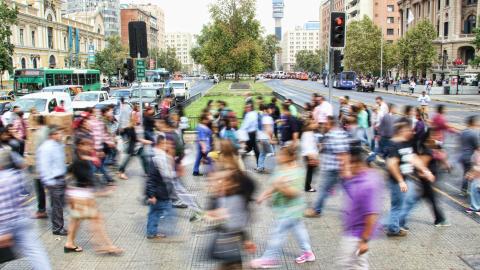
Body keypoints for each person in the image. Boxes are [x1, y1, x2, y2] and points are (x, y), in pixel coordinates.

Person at [250, 145, 315, 268]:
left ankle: (270, 258)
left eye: (281, 155)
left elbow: (294, 193)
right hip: (287, 209)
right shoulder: (280, 169)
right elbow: (274, 186)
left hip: (290, 210)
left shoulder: (297, 172)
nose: (278, 157)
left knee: (278, 233)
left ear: (290, 157)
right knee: (299, 229)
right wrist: (263, 195)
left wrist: (282, 187)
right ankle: (308, 252)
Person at [64, 137, 123, 255]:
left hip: (78, 195)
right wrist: (103, 192)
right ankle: (106, 246)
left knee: (76, 220)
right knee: (96, 220)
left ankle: (69, 243)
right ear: (80, 146)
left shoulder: (82, 160)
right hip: (82, 197)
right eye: (87, 145)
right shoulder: (80, 162)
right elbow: (88, 179)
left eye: (91, 145)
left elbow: (68, 172)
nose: (90, 147)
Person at [0, 147, 52, 269]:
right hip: (22, 219)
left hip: (6, 223)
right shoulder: (16, 175)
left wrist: (2, 232)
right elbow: (26, 195)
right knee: (35, 251)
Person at [384, 119, 435, 237]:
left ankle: (394, 224)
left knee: (406, 202)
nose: (411, 132)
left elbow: (413, 158)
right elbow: (392, 164)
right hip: (397, 181)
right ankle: (393, 229)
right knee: (398, 205)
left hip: (405, 179)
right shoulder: (393, 145)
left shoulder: (405, 142)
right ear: (401, 130)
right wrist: (400, 181)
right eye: (408, 129)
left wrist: (425, 170)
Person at [338, 144, 383, 270]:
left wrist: (364, 240)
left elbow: (372, 215)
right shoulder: (362, 177)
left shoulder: (366, 184)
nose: (342, 167)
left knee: (348, 266)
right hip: (354, 233)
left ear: (355, 163)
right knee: (358, 265)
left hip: (356, 236)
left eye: (344, 164)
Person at [399, 130, 450, 229]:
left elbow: (440, 155)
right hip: (426, 181)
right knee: (414, 201)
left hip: (426, 182)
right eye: (435, 135)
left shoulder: (429, 147)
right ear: (428, 138)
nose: (437, 138)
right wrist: (428, 175)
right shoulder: (426, 150)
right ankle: (400, 220)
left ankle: (439, 219)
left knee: (428, 200)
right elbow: (421, 168)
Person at [305, 116, 350, 217]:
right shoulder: (337, 133)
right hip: (334, 168)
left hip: (333, 169)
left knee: (323, 189)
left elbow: (342, 154)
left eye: (326, 123)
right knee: (347, 190)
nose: (324, 125)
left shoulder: (335, 134)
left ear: (331, 124)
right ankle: (358, 209)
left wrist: (345, 170)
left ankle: (316, 210)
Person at [37, 125, 68, 236]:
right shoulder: (46, 148)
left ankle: (58, 225)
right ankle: (57, 228)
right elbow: (44, 166)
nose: (61, 135)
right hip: (54, 180)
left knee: (59, 204)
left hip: (60, 178)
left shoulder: (58, 145)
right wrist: (49, 182)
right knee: (57, 205)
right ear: (53, 135)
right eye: (59, 133)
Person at [146, 134, 178, 239]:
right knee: (167, 211)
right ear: (160, 144)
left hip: (160, 191)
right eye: (165, 143)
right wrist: (151, 195)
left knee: (154, 212)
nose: (167, 146)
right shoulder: (157, 159)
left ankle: (151, 232)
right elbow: (151, 179)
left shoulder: (161, 157)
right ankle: (153, 232)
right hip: (159, 192)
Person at [32, 115, 50, 219]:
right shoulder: (48, 130)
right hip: (49, 166)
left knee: (39, 188)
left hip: (41, 166)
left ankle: (41, 210)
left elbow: (38, 151)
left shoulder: (39, 133)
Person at [459, 116, 480, 195]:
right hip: (470, 156)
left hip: (463, 155)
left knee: (466, 173)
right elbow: (478, 147)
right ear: (473, 123)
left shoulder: (463, 132)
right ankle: (474, 190)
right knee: (473, 174)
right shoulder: (473, 133)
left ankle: (463, 190)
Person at [301, 119, 319, 192]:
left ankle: (308, 185)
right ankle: (307, 187)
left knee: (311, 171)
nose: (316, 124)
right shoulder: (307, 134)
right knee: (310, 171)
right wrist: (311, 157)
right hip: (309, 155)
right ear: (309, 125)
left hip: (311, 154)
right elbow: (307, 146)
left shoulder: (309, 133)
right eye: (314, 123)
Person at [256, 104, 274, 173]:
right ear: (266, 110)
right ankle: (277, 168)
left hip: (262, 138)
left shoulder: (263, 117)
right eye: (270, 109)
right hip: (266, 138)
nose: (271, 110)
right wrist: (270, 138)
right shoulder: (267, 118)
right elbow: (268, 129)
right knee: (272, 153)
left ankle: (260, 167)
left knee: (263, 153)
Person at [466, 150, 480, 214]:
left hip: (477, 175)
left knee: (475, 188)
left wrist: (471, 173)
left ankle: (475, 207)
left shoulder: (476, 153)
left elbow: (476, 165)